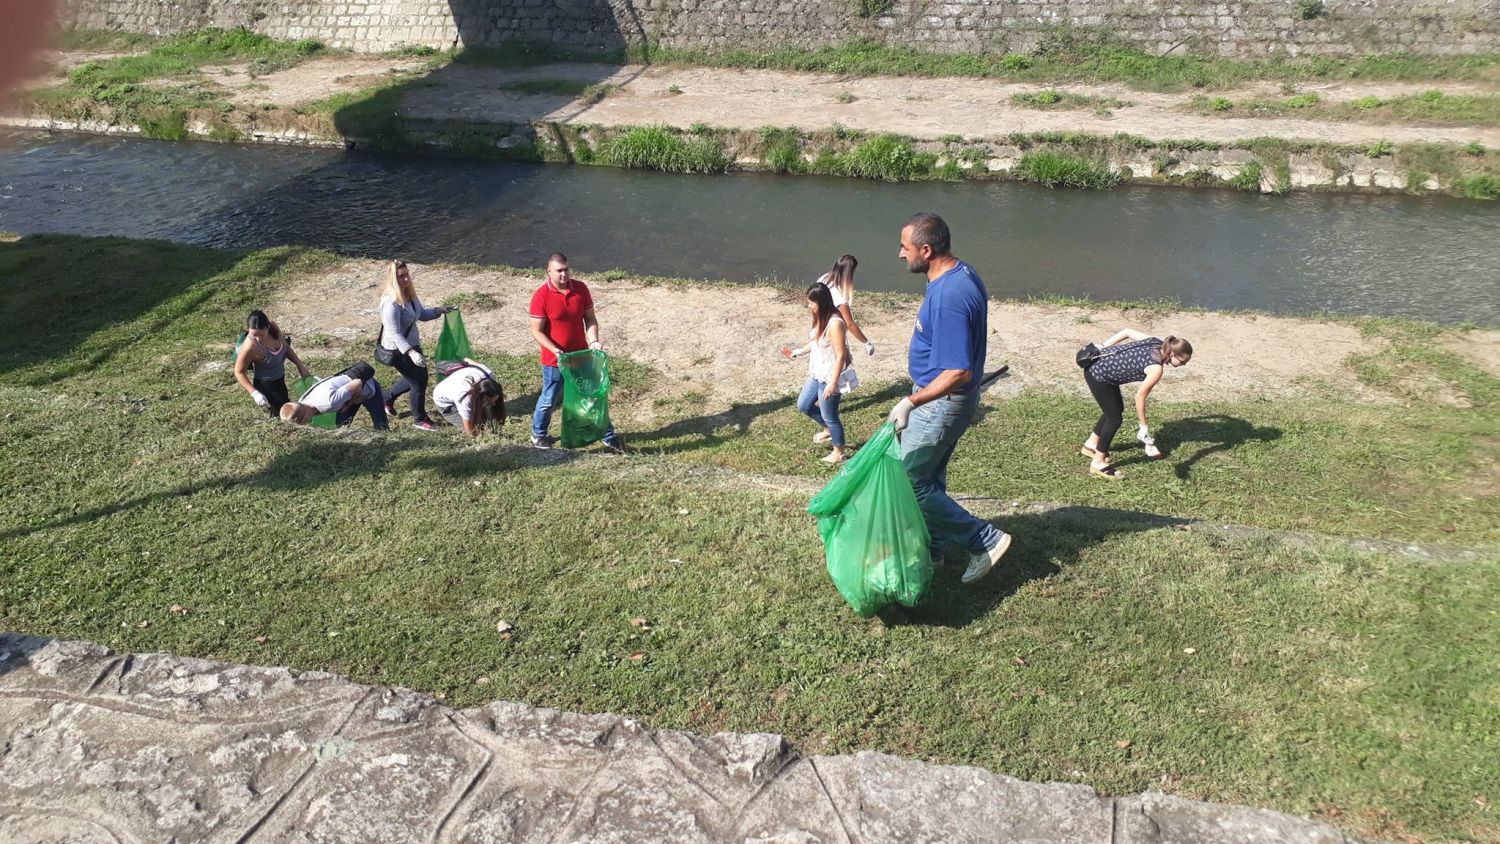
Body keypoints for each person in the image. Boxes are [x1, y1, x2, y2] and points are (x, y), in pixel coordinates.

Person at [886, 212, 1011, 585]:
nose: (900, 255)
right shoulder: (961, 274)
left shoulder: (950, 297)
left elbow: (958, 371)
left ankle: (983, 539)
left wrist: (912, 402)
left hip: (939, 405)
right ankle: (933, 548)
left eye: (905, 248)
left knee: (910, 481)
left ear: (926, 250)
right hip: (945, 403)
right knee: (931, 477)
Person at [528, 252, 624, 452]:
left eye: (566, 270)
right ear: (549, 271)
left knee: (592, 395)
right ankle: (538, 435)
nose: (564, 275)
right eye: (559, 271)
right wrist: (555, 350)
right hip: (555, 361)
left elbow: (590, 319)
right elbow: (536, 331)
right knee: (549, 398)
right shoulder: (541, 296)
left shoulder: (580, 289)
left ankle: (607, 435)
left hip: (581, 357)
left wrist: (594, 341)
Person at [1080, 330, 1193, 479]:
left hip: (1099, 369)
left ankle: (1091, 444)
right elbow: (1139, 397)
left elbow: (1127, 331)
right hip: (1098, 376)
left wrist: (1103, 345)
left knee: (1115, 410)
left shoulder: (1155, 341)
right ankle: (1098, 462)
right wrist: (1143, 427)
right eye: (1183, 361)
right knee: (1114, 419)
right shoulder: (1156, 368)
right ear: (1172, 354)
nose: (1183, 365)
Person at [782, 283, 858, 464]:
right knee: (803, 404)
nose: (809, 306)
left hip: (830, 376)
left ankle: (838, 451)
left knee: (830, 415)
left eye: (811, 303)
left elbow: (840, 355)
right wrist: (799, 351)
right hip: (817, 372)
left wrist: (832, 384)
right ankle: (828, 430)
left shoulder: (835, 323)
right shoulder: (820, 319)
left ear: (821, 303)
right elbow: (816, 342)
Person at [376, 260, 452, 431]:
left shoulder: (409, 294)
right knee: (419, 382)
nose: (405, 279)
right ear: (392, 279)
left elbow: (421, 314)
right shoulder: (390, 303)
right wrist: (411, 353)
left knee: (414, 377)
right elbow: (394, 333)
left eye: (406, 274)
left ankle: (385, 398)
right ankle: (419, 419)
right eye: (400, 276)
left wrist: (437, 311)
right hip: (398, 349)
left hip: (411, 346)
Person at [233, 310, 311, 417]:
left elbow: (286, 348)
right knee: (285, 415)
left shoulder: (274, 330)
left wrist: (300, 365)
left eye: (261, 334)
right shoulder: (249, 347)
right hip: (267, 386)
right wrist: (254, 393)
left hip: (280, 379)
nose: (257, 338)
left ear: (267, 327)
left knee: (286, 409)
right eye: (254, 334)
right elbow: (239, 372)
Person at [279, 361, 389, 430]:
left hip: (367, 388)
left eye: (301, 424)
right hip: (345, 396)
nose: (303, 426)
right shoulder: (303, 401)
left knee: (380, 424)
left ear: (304, 417)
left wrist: (349, 403)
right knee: (341, 426)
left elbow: (358, 383)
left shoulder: (329, 402)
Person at [816, 255, 876, 357]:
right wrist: (867, 343)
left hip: (818, 327)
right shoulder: (840, 297)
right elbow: (850, 324)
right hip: (831, 333)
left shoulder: (823, 278)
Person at [432, 358, 506, 436]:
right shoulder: (465, 396)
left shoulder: (488, 374)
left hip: (457, 391)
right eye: (490, 402)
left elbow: (467, 360)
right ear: (482, 397)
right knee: (476, 428)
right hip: (445, 402)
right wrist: (475, 437)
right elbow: (469, 429)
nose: (494, 404)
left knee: (487, 421)